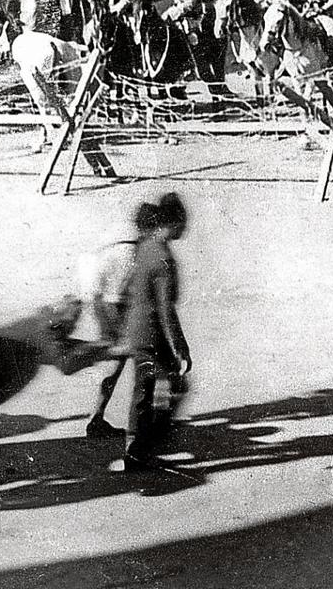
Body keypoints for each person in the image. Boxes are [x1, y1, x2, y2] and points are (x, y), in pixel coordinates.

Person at [123, 193, 192, 470]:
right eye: (183, 222)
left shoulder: (145, 246)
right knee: (173, 382)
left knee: (144, 388)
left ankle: (139, 446)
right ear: (172, 222)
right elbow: (166, 310)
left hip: (135, 326)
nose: (185, 228)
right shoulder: (163, 258)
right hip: (152, 332)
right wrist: (181, 347)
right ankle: (144, 445)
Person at [80, 201, 159, 439]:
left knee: (118, 361)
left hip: (98, 295)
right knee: (125, 359)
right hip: (109, 303)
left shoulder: (121, 234)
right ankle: (101, 419)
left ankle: (98, 417)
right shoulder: (132, 252)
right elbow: (118, 294)